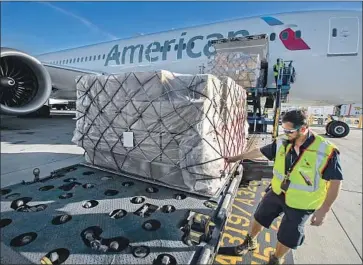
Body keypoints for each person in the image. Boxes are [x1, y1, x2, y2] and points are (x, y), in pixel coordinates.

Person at [225, 109, 343, 265]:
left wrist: (324, 210)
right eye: (284, 129)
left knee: (288, 235)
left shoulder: (326, 151)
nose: (286, 133)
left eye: (289, 131)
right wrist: (236, 158)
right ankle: (249, 242)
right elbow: (259, 152)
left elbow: (336, 182)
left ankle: (275, 259)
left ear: (303, 128)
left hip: (302, 202)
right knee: (259, 216)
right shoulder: (283, 141)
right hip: (278, 192)